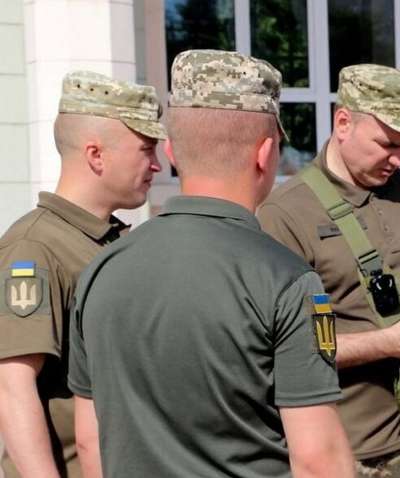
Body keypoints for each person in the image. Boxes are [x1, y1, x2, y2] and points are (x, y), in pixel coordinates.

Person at [67, 50, 354, 478]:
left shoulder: (100, 270)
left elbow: (92, 443)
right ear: (266, 152)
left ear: (172, 152)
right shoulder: (287, 280)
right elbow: (318, 461)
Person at [257, 63, 400, 477]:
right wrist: (389, 343)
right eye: (388, 144)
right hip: (350, 451)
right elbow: (284, 351)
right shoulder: (286, 213)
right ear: (343, 122)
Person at [0, 71, 166, 478]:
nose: (157, 165)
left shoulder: (114, 241)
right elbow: (11, 386)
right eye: (146, 149)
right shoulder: (35, 248)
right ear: (96, 155)